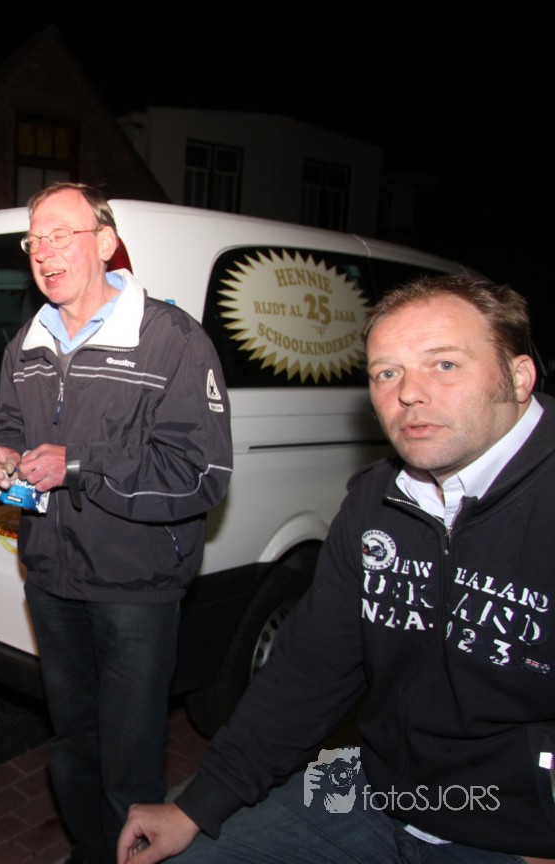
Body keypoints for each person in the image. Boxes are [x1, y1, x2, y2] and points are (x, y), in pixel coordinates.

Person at [118, 274, 555, 864]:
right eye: (386, 373)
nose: (409, 393)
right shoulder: (378, 499)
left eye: (445, 364)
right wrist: (197, 806)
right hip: (377, 793)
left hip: (513, 831)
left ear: (519, 378)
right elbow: (310, 669)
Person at [0, 182, 233, 864]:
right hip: (52, 578)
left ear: (106, 242)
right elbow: (10, 423)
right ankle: (92, 851)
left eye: (61, 234)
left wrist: (81, 464)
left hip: (134, 589)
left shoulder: (171, 339)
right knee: (71, 743)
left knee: (129, 755)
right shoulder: (26, 342)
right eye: (35, 240)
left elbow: (201, 473)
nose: (44, 252)